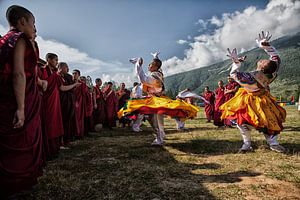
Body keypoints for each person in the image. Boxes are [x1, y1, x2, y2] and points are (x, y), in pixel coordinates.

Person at [0, 5, 43, 198]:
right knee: (21, 138)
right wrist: (21, 107)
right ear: (22, 22)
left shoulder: (4, 41)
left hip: (4, 98)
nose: (34, 28)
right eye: (33, 23)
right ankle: (18, 183)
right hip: (18, 98)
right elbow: (18, 73)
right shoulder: (19, 39)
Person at [220, 31, 286, 153]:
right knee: (270, 120)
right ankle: (273, 143)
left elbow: (233, 74)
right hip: (264, 98)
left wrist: (236, 63)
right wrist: (265, 46)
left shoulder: (251, 76)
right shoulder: (272, 72)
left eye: (263, 61)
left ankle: (247, 144)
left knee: (242, 121)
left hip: (249, 99)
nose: (263, 60)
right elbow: (275, 57)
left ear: (261, 68)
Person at [119, 52, 198, 145]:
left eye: (150, 64)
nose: (149, 65)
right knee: (157, 119)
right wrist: (155, 57)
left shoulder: (154, 76)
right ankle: (160, 136)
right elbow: (157, 66)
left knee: (154, 119)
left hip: (156, 101)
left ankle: (159, 138)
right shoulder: (158, 73)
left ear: (155, 67)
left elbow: (143, 79)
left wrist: (138, 64)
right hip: (157, 100)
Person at [39, 53, 79, 158]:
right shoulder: (42, 71)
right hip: (45, 101)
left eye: (57, 60)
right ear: (48, 59)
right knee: (47, 124)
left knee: (54, 124)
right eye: (55, 60)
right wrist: (75, 84)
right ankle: (45, 150)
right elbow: (62, 88)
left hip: (54, 101)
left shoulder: (54, 74)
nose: (57, 62)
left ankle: (53, 149)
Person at [58, 62, 77, 144]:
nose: (68, 69)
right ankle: (61, 141)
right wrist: (74, 84)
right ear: (61, 68)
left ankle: (66, 139)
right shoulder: (58, 76)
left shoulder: (66, 77)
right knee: (62, 121)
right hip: (62, 102)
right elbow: (62, 88)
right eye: (66, 67)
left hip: (68, 102)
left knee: (67, 121)